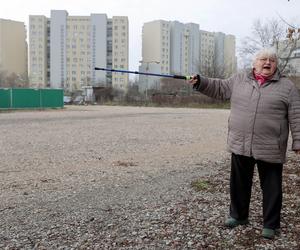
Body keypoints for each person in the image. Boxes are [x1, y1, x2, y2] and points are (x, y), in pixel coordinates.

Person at [189, 47, 300, 239]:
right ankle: (239, 216)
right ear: (254, 63)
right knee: (239, 183)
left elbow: (297, 116)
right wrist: (200, 81)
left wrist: (298, 141)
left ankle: (271, 224)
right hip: (241, 143)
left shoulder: (287, 87)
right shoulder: (240, 79)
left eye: (271, 60)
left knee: (272, 187)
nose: (267, 63)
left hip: (271, 146)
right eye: (262, 59)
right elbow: (219, 87)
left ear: (276, 65)